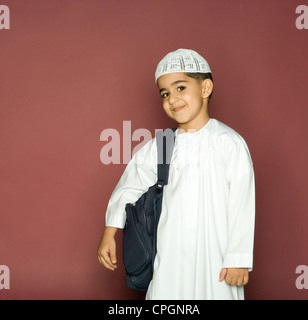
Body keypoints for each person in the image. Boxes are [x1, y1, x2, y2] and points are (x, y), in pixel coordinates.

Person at [97, 48, 255, 300]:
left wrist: (238, 258)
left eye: (180, 88)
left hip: (216, 255)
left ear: (205, 89)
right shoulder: (162, 145)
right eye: (165, 93)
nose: (172, 99)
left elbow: (242, 204)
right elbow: (130, 185)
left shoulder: (229, 142)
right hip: (170, 251)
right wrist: (110, 230)